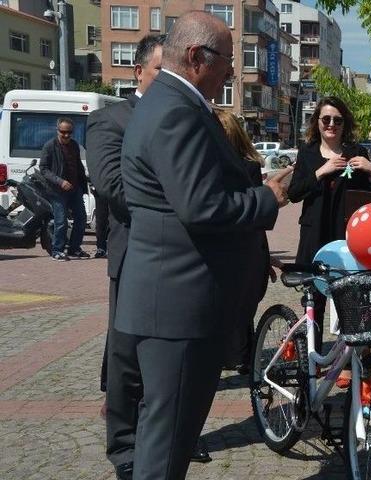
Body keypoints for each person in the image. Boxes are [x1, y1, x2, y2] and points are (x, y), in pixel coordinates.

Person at [114, 12, 289, 480]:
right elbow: (202, 207)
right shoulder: (176, 110)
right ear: (196, 57)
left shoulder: (165, 103)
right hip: (179, 307)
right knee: (167, 443)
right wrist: (265, 198)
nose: (230, 72)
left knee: (166, 436)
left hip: (170, 302)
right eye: (227, 61)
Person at [84, 34, 216, 480]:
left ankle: (163, 440)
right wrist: (171, 204)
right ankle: (125, 448)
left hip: (178, 259)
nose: (169, 78)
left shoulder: (191, 113)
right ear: (139, 71)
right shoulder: (113, 120)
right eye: (161, 70)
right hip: (136, 251)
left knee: (164, 374)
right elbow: (111, 185)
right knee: (126, 360)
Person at [287, 96, 371, 365]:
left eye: (337, 120)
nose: (331, 125)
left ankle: (349, 365)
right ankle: (311, 366)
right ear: (317, 123)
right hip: (314, 235)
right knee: (313, 301)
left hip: (345, 238)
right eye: (325, 119)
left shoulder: (356, 152)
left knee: (349, 302)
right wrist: (321, 171)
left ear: (344, 124)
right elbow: (294, 193)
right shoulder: (307, 153)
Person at [215, 108, 293, 373]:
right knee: (242, 309)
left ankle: (239, 357)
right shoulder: (246, 164)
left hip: (240, 247)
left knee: (236, 308)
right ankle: (242, 357)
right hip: (249, 247)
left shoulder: (239, 166)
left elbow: (248, 214)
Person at [39, 117, 90, 261]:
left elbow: (78, 166)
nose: (66, 135)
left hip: (75, 189)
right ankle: (57, 250)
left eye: (69, 132)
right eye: (63, 132)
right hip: (57, 191)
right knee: (61, 221)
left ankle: (74, 248)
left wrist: (85, 182)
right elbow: (43, 169)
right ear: (57, 130)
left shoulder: (74, 145)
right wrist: (60, 181)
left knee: (81, 218)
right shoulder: (50, 146)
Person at [92, 191, 109, 258]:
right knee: (100, 221)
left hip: (115, 191)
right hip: (100, 191)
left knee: (114, 222)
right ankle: (101, 248)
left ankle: (110, 248)